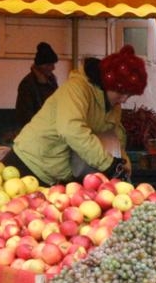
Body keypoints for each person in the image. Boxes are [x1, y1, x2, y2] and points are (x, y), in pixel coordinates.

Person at [11, 45, 143, 185]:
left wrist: (123, 163)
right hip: (29, 163)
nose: (123, 99)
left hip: (56, 175)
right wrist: (108, 164)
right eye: (120, 93)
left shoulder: (113, 104)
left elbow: (113, 136)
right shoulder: (77, 88)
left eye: (129, 95)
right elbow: (72, 129)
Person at [15, 41, 60, 132]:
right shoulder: (27, 85)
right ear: (40, 65)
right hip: (38, 133)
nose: (53, 68)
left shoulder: (51, 81)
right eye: (49, 65)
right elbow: (25, 116)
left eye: (53, 64)